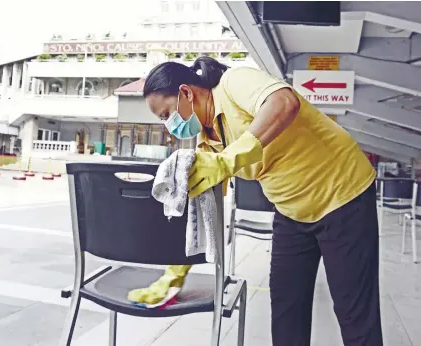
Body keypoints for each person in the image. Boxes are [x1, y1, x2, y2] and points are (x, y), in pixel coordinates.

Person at [130, 57, 382, 346]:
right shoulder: (205, 141)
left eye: (166, 115)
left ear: (186, 93)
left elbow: (284, 103)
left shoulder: (234, 83)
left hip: (342, 195)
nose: (168, 126)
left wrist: (228, 160)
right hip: (291, 212)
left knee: (354, 314)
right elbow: (206, 212)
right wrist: (174, 275)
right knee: (287, 311)